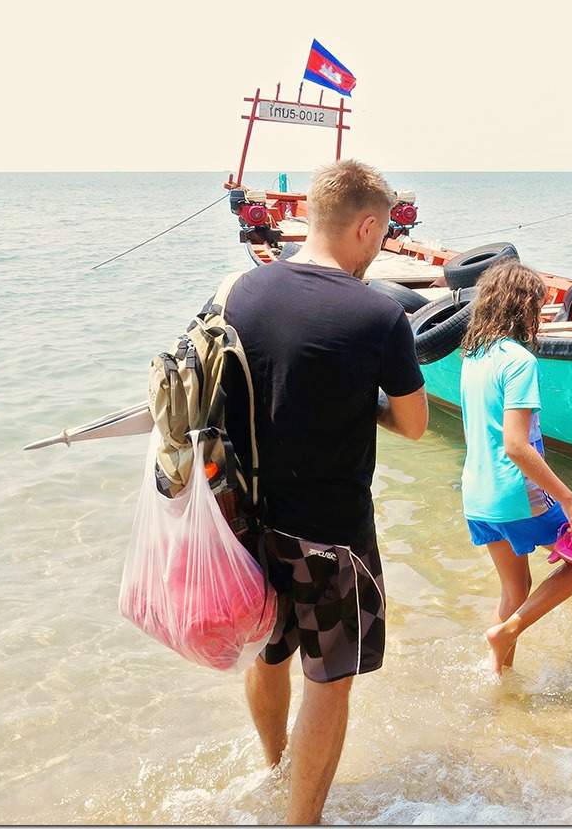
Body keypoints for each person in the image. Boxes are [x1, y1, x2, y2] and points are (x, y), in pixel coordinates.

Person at [223, 160, 429, 823]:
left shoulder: (244, 292)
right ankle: (301, 820)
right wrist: (360, 396)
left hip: (251, 524)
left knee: (271, 650)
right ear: (366, 225)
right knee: (331, 682)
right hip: (333, 537)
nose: (382, 246)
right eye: (383, 233)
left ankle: (273, 768)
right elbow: (415, 424)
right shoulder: (378, 314)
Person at [458, 261, 572, 675]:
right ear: (521, 306)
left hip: (476, 495)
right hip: (515, 494)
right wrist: (570, 500)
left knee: (515, 587)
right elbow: (517, 446)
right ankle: (509, 632)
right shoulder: (519, 361)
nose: (539, 316)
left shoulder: (474, 356)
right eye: (537, 307)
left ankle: (497, 677)